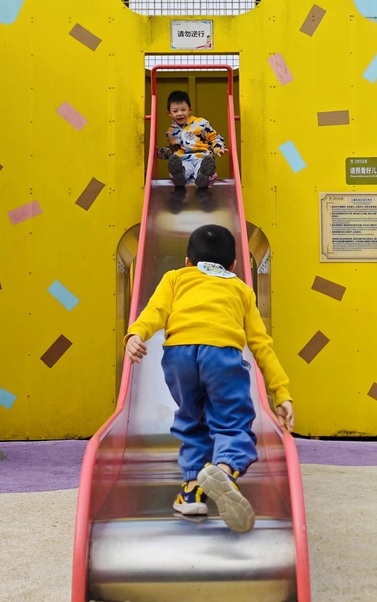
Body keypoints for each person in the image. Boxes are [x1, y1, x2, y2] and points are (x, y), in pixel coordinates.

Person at [124, 225, 294, 534]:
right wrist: (280, 392)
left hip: (178, 355)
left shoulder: (175, 277)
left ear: (188, 261)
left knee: (192, 420)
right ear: (234, 266)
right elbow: (261, 345)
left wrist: (136, 333)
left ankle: (192, 492)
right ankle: (224, 471)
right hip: (221, 354)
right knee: (232, 422)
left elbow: (156, 309)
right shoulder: (241, 289)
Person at [157, 90, 228, 188]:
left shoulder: (200, 123)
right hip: (184, 159)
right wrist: (161, 153)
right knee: (183, 168)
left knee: (202, 167)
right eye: (175, 111)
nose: (180, 113)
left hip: (202, 157)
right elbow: (173, 150)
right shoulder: (171, 132)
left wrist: (219, 148)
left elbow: (214, 137)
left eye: (183, 109)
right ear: (169, 112)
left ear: (190, 109)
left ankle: (203, 176)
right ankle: (179, 175)